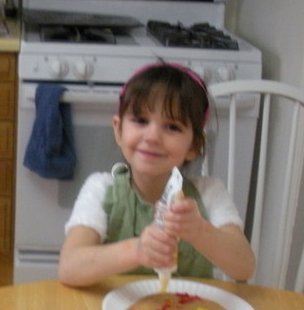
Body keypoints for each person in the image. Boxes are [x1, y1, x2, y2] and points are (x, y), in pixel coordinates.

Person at [58, 62, 255, 287]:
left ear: (194, 146)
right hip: (113, 307)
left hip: (191, 308)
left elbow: (244, 267)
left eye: (172, 127)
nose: (152, 136)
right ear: (118, 130)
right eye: (141, 120)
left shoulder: (209, 193)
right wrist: (137, 250)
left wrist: (200, 231)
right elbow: (69, 268)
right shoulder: (101, 189)